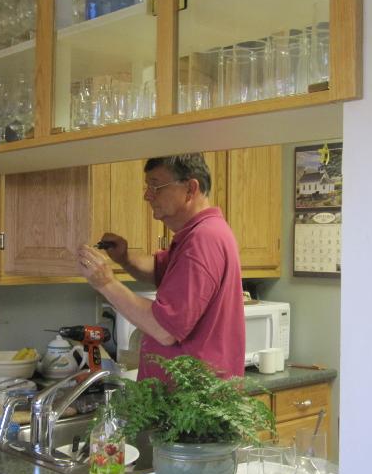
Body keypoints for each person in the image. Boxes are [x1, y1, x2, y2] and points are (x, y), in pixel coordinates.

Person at [76, 154, 245, 381]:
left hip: (190, 398)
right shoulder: (199, 234)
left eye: (156, 186)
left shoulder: (203, 239)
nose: (147, 196)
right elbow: (158, 268)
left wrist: (106, 283)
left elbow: (164, 330)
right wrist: (125, 258)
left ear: (190, 189)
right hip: (188, 395)